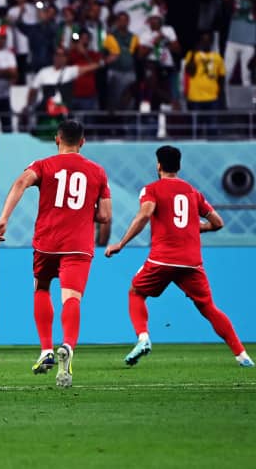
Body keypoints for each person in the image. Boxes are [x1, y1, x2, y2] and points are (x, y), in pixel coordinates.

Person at [104, 146, 253, 368]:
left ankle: (143, 338)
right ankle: (242, 355)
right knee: (208, 307)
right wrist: (193, 227)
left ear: (158, 165)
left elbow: (145, 213)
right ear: (179, 166)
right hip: (191, 262)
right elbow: (218, 223)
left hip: (163, 259)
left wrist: (121, 243)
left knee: (136, 292)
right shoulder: (193, 193)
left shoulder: (151, 190)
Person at [0, 120, 112, 388]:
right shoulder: (98, 172)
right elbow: (105, 216)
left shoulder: (43, 165)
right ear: (82, 142)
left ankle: (46, 348)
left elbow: (21, 182)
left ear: (57, 139)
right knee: (72, 298)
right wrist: (81, 211)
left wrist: (3, 219)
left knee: (42, 288)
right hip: (79, 245)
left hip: (47, 242)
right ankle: (67, 346)